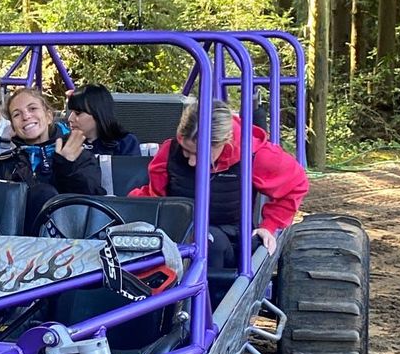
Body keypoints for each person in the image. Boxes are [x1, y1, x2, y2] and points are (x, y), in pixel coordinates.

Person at [132, 97, 308, 263]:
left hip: (227, 239)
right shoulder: (169, 151)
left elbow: (297, 184)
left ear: (224, 142)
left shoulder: (256, 156)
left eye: (199, 154)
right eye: (186, 151)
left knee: (208, 242)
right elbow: (155, 197)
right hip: (176, 233)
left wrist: (269, 225)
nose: (191, 162)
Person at [0, 85, 104, 227]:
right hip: (24, 236)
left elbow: (93, 201)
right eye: (17, 114)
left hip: (73, 232)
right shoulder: (8, 162)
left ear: (48, 116)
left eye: (32, 109)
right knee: (41, 193)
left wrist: (66, 166)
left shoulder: (78, 151)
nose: (26, 116)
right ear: (13, 127)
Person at [65, 84, 141, 156]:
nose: (70, 119)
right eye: (71, 112)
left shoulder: (125, 143)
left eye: (78, 113)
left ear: (98, 113)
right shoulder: (65, 143)